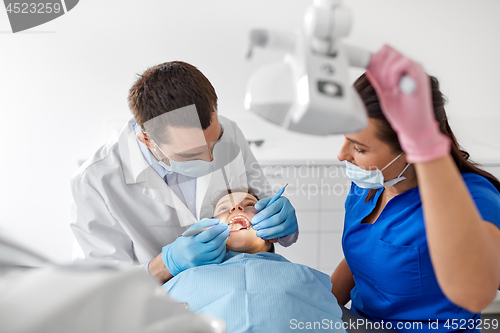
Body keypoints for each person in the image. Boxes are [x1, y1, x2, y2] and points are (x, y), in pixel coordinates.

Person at [70, 61, 298, 283]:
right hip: (160, 310)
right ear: (147, 140)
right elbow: (100, 289)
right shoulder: (94, 182)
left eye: (215, 143)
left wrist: (282, 225)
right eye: (190, 154)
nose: (210, 160)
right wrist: (165, 264)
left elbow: (264, 207)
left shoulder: (230, 131)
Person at [331, 45, 500, 332]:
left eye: (359, 147)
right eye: (345, 139)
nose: (342, 154)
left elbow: (476, 292)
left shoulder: (475, 199)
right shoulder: (369, 184)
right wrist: (317, 305)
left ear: (409, 150)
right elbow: (361, 254)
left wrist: (426, 144)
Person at [164, 190, 346, 333]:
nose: (236, 208)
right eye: (223, 209)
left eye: (250, 204)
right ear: (207, 228)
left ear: (273, 232)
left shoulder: (306, 277)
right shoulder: (184, 276)